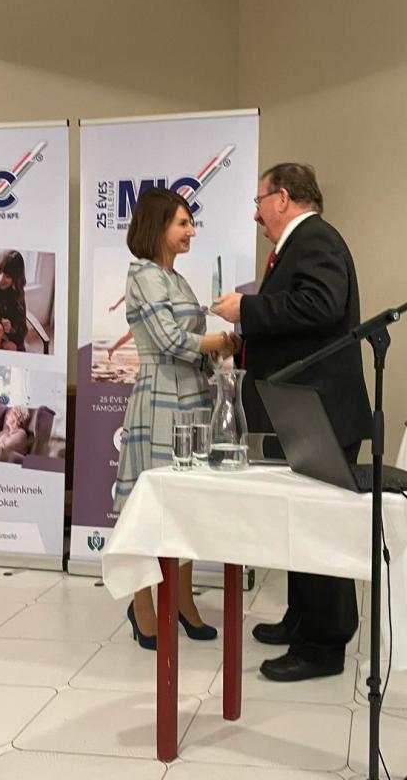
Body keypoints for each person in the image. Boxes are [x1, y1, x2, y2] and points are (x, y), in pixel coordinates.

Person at [213, 163, 373, 682]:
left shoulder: (315, 239)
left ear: (282, 198)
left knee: (318, 526)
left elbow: (320, 306)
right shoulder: (301, 244)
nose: (256, 214)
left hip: (319, 412)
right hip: (303, 410)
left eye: (259, 201)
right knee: (300, 521)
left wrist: (247, 308)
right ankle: (302, 618)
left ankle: (323, 644)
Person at [114, 187, 238, 650]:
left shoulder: (179, 280)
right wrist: (217, 342)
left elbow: (193, 346)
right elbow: (168, 340)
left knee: (184, 506)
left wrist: (216, 353)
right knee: (151, 507)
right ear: (158, 226)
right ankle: (142, 604)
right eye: (182, 223)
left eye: (191, 223)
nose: (191, 231)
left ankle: (182, 599)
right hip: (160, 398)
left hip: (192, 397)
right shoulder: (143, 276)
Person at [0, 250, 28, 351]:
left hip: (9, 341)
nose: (1, 279)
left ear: (16, 278)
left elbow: (23, 331)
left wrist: (11, 328)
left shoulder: (17, 294)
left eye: (8, 276)